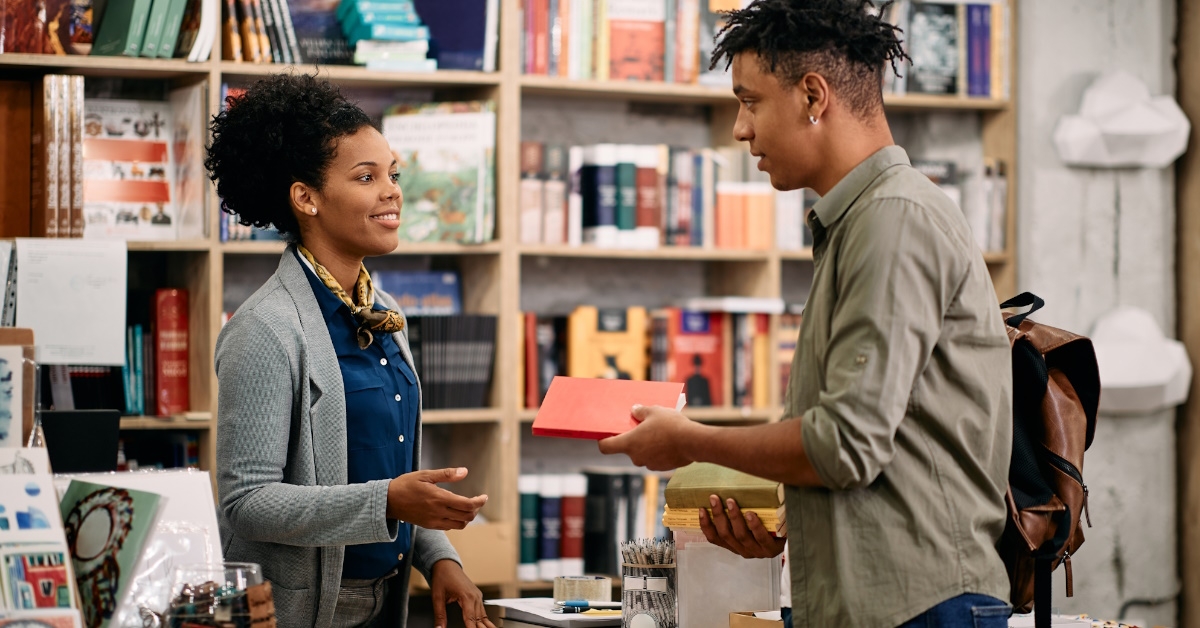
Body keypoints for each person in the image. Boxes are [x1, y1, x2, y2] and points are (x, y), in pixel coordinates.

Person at [599, 1, 1014, 627]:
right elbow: (881, 442)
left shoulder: (893, 220)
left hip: (918, 609)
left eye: (750, 101)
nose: (741, 129)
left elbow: (844, 444)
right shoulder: (858, 223)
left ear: (813, 96)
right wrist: (790, 520)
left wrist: (690, 443)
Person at [206, 73, 497, 628]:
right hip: (307, 612)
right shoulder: (265, 328)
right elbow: (247, 503)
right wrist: (386, 502)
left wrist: (439, 558)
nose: (392, 191)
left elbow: (393, 470)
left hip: (387, 603)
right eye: (367, 177)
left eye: (393, 174)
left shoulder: (382, 310)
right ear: (306, 198)